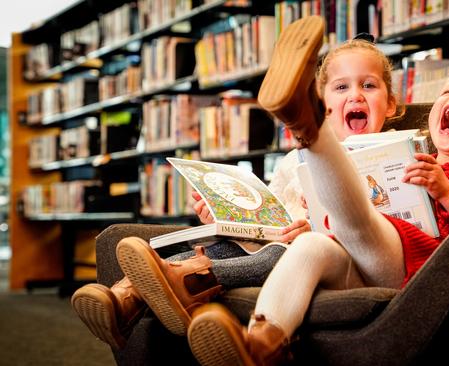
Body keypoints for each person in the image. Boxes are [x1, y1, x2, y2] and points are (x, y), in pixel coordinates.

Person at [173, 15, 449, 365]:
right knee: (312, 245)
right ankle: (262, 345)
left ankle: (308, 124)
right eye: (448, 92)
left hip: (415, 268)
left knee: (358, 214)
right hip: (359, 260)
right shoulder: (417, 155)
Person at [70, 26, 400, 350]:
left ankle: (183, 280)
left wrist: (311, 228)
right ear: (325, 104)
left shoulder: (396, 155)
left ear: (391, 104)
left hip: (325, 258)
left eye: (368, 85)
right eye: (341, 87)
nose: (356, 94)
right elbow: (268, 212)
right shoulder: (292, 162)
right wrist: (227, 215)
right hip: (275, 242)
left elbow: (390, 230)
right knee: (219, 244)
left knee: (278, 253)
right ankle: (126, 299)